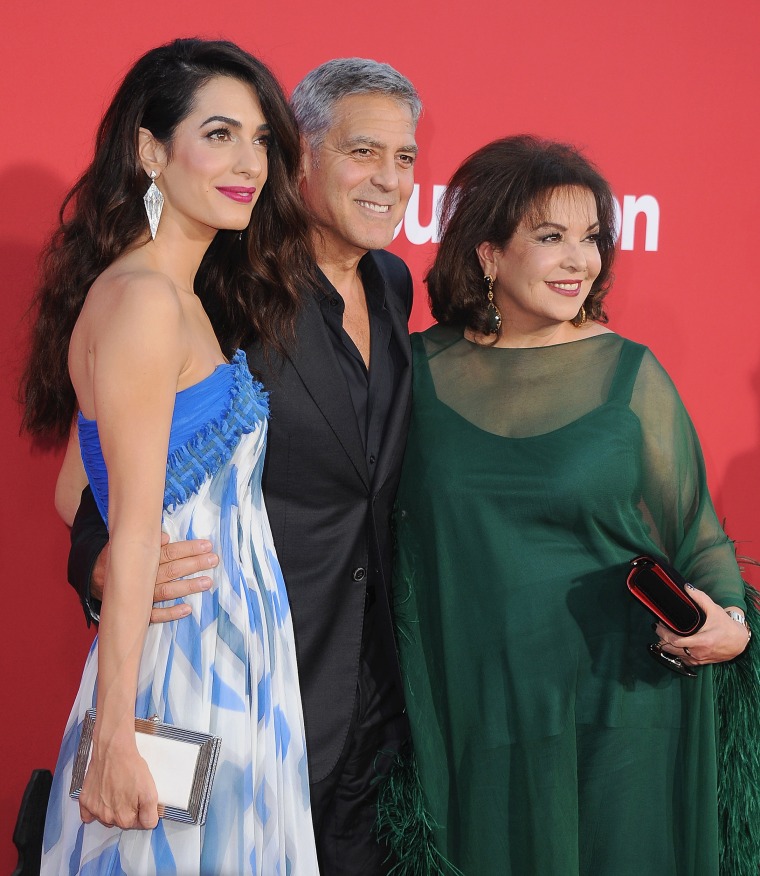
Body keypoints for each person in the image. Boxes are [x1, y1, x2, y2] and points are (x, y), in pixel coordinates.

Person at [66, 58, 422, 874]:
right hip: (227, 670)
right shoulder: (230, 283)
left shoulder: (396, 284)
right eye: (365, 153)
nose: (390, 180)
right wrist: (105, 564)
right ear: (308, 160)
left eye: (405, 159)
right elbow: (104, 470)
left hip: (361, 693)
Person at [389, 136, 752, 875]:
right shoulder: (415, 374)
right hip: (476, 714)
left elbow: (696, 536)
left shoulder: (630, 374)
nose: (579, 260)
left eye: (590, 239)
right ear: (487, 254)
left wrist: (730, 623)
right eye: (549, 237)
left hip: (621, 709)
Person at [21, 38, 320, 874]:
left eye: (261, 140)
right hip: (186, 668)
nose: (249, 163)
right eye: (219, 134)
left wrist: (122, 555)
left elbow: (73, 488)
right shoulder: (146, 298)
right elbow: (132, 524)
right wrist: (114, 733)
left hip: (230, 650)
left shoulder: (175, 294)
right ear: (151, 150)